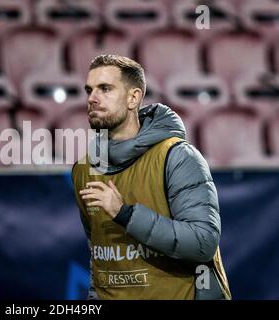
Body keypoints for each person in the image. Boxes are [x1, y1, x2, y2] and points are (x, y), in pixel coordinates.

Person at [71, 54, 231, 300]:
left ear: (133, 98)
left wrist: (126, 214)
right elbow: (99, 253)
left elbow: (203, 242)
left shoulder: (177, 156)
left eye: (105, 89)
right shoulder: (84, 169)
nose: (92, 98)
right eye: (89, 90)